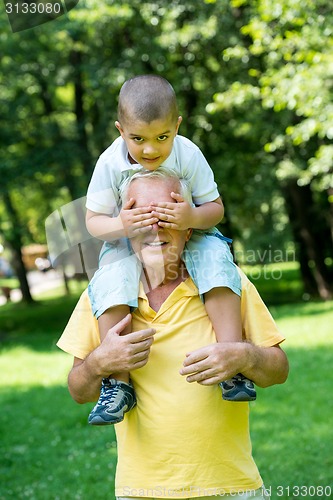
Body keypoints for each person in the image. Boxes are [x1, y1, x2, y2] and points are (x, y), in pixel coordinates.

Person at [57, 170, 289, 499]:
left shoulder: (225, 282)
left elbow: (278, 369)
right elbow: (78, 391)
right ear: (125, 227)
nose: (155, 226)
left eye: (166, 213)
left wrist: (243, 355)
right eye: (142, 215)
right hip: (142, 491)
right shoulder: (104, 295)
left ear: (189, 226)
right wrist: (99, 363)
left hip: (232, 487)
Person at [85, 74, 254, 425]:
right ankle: (117, 385)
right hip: (127, 238)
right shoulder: (109, 163)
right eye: (138, 139)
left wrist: (191, 214)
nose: (150, 150)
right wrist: (122, 225)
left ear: (177, 126)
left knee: (218, 266)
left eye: (162, 137)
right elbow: (93, 222)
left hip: (190, 230)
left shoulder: (188, 153)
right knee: (112, 282)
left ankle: (232, 360)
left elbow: (216, 208)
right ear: (120, 130)